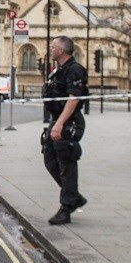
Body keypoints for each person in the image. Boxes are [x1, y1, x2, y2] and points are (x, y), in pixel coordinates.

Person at [42, 35, 89, 225]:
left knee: (66, 163)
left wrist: (60, 124)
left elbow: (74, 98)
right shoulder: (59, 70)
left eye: (53, 47)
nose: (50, 49)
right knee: (50, 160)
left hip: (69, 121)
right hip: (57, 119)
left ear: (61, 50)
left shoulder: (75, 70)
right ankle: (74, 196)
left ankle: (66, 207)